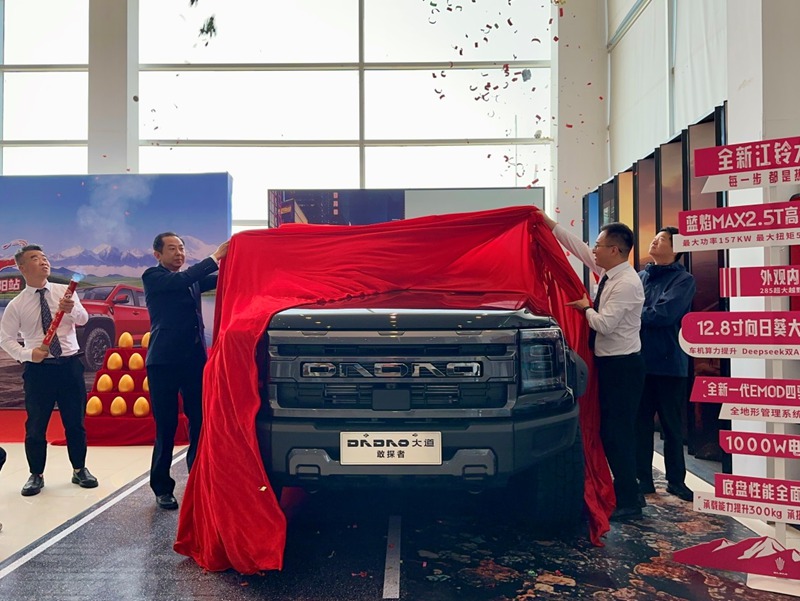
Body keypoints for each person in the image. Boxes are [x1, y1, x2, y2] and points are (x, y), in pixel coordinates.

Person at [537, 210, 646, 521]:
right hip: (610, 364)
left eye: (599, 245)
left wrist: (585, 308)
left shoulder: (627, 283)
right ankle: (631, 492)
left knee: (617, 434)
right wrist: (547, 222)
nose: (594, 250)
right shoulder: (610, 272)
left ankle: (630, 500)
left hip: (623, 368)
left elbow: (605, 325)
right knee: (612, 431)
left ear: (615, 250)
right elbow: (579, 248)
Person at [0, 245, 98, 496]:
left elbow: (84, 319)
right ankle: (36, 474)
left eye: (44, 257)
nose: (43, 262)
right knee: (36, 426)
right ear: (22, 268)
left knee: (75, 423)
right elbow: (5, 339)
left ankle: (79, 469)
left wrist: (72, 309)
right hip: (38, 371)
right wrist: (27, 354)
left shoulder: (65, 292)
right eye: (35, 258)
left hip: (69, 366)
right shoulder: (17, 304)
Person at [143, 232, 229, 510]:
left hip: (193, 361)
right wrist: (215, 256)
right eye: (172, 249)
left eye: (181, 248)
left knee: (200, 421)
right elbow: (182, 280)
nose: (179, 253)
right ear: (158, 254)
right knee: (166, 426)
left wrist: (241, 258)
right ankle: (162, 487)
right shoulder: (153, 277)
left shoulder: (191, 279)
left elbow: (224, 279)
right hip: (163, 362)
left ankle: (197, 477)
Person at [636, 227, 696, 502]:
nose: (654, 241)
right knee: (640, 425)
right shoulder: (640, 276)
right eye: (655, 237)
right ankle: (643, 479)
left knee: (672, 427)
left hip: (671, 363)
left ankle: (676, 481)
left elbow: (665, 314)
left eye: (661, 239)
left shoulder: (683, 280)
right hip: (639, 361)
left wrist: (633, 313)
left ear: (676, 248)